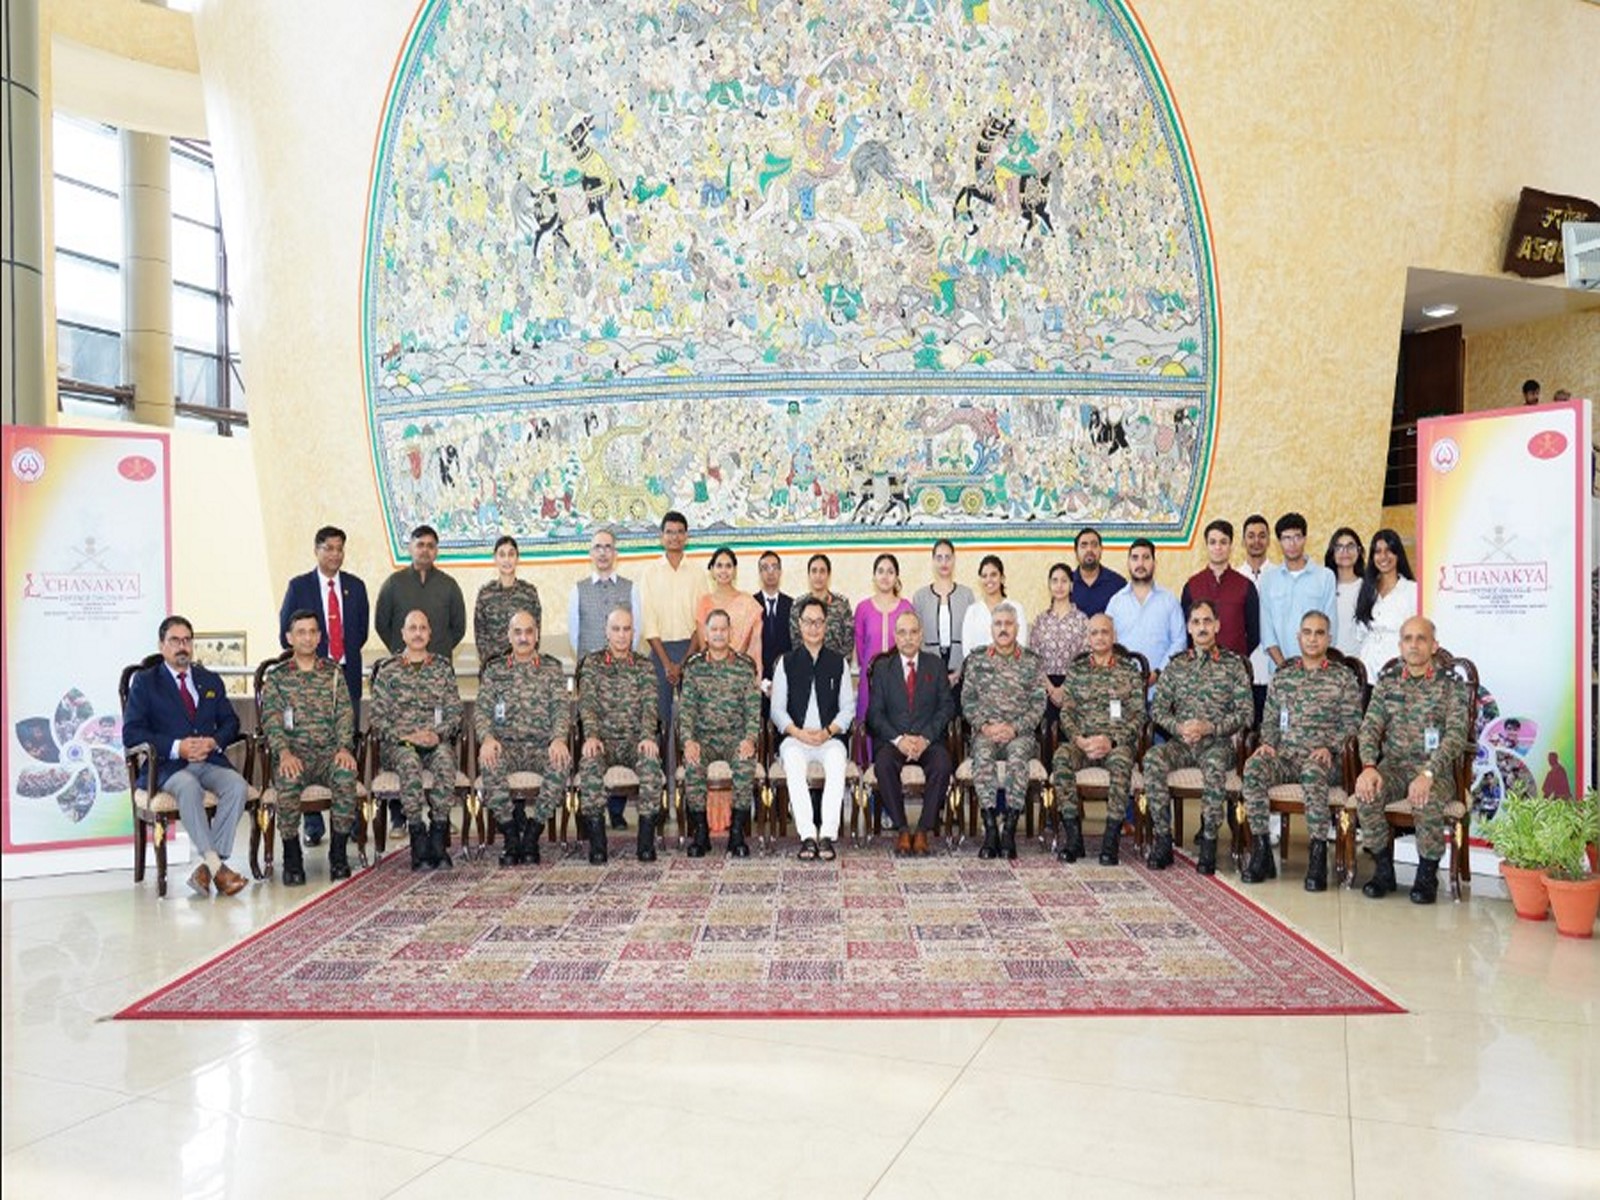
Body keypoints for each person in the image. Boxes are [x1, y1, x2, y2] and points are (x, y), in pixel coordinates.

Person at [121, 615, 251, 897]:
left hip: (209, 760)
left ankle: (207, 870)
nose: (182, 647)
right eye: (175, 641)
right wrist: (176, 746)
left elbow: (231, 722)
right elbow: (132, 733)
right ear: (162, 645)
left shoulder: (209, 679)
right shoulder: (145, 682)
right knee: (189, 788)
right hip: (168, 767)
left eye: (187, 640)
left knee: (238, 786)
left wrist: (214, 741)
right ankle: (218, 869)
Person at [1241, 610, 1363, 890]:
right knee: (1254, 767)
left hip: (1324, 762)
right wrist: (1268, 744)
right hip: (1285, 757)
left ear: (1328, 639)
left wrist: (1330, 747)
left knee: (1311, 770)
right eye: (1307, 632)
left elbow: (1353, 725)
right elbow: (1269, 720)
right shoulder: (1283, 677)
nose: (1312, 639)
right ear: (1298, 637)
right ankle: (1261, 851)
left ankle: (1318, 854)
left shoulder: (1342, 678)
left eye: (1319, 633)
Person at [1354, 616, 1469, 904]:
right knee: (1367, 794)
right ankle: (1383, 870)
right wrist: (1369, 766)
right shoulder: (1388, 682)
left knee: (1425, 799)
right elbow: (1369, 728)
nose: (1414, 645)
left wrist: (1429, 773)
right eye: (1408, 639)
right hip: (1393, 766)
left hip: (1436, 771)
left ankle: (1426, 874)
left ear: (1434, 645)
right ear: (1400, 645)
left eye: (1421, 639)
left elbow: (1456, 736)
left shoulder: (1451, 685)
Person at [1141, 600, 1254, 874]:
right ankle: (1163, 840)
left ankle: (1208, 844)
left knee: (1214, 767)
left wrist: (1210, 727)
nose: (1201, 628)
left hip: (1217, 743)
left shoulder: (1233, 665)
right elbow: (1157, 709)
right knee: (1153, 758)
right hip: (1181, 743)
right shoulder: (1177, 666)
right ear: (1189, 628)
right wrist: (1178, 728)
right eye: (1196, 622)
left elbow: (1246, 713)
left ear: (1217, 625)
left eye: (1207, 622)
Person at [277, 524, 368, 846]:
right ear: (316, 551)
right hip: (308, 678)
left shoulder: (355, 587)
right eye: (328, 548)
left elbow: (361, 632)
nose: (335, 554)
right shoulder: (299, 586)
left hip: (345, 675)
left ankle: (348, 816)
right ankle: (313, 821)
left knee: (345, 742)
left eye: (340, 549)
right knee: (309, 744)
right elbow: (284, 632)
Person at [261, 609, 360, 884]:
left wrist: (343, 748)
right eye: (301, 632)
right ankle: (293, 857)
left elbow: (344, 715)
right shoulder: (278, 677)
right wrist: (284, 753)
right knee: (288, 779)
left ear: (319, 636)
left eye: (313, 632)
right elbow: (271, 720)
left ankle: (338, 854)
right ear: (289, 637)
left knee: (345, 775)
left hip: (329, 754)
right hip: (294, 755)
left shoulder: (333, 673)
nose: (307, 638)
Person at [475, 609, 570, 867]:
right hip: (506, 748)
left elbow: (561, 710)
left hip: (542, 748)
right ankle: (509, 835)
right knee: (489, 761)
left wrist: (559, 738)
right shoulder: (495, 671)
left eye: (529, 632)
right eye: (517, 632)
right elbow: (482, 711)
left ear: (537, 635)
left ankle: (532, 832)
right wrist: (486, 738)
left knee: (561, 762)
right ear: (509, 636)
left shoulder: (551, 669)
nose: (523, 638)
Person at [370, 609, 462, 870]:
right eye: (413, 628)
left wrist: (438, 734)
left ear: (430, 633)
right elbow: (377, 720)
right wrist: (406, 736)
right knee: (409, 761)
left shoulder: (442, 669)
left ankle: (438, 834)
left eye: (423, 628)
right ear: (403, 634)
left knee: (445, 759)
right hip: (400, 746)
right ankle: (417, 834)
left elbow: (455, 714)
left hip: (435, 742)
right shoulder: (389, 672)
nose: (418, 633)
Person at [1050, 613, 1145, 865]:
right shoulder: (1077, 670)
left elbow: (1139, 715)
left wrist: (1112, 741)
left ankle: (1110, 840)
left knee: (1123, 763)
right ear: (1087, 638)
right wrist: (1079, 740)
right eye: (1094, 633)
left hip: (1116, 745)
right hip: (1082, 744)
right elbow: (1067, 712)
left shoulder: (1129, 671)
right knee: (1060, 758)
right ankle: (1073, 838)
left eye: (1105, 632)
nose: (1100, 637)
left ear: (1114, 636)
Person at [566, 525, 642, 830]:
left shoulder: (630, 588)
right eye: (597, 546)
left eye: (608, 547)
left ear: (616, 553)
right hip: (591, 677)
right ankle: (591, 809)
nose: (603, 552)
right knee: (592, 739)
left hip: (624, 677)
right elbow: (574, 636)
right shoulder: (579, 589)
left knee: (622, 734)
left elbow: (636, 634)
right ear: (590, 552)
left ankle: (616, 808)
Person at [577, 607, 666, 865]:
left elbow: (651, 706)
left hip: (634, 742)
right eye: (616, 629)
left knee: (650, 767)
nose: (621, 635)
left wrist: (648, 736)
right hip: (602, 742)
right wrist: (591, 736)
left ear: (633, 633)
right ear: (606, 632)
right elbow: (588, 705)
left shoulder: (644, 666)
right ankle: (598, 843)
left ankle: (646, 842)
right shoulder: (592, 664)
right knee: (590, 765)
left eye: (626, 629)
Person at [772, 595, 855, 861]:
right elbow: (777, 710)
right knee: (794, 764)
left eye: (819, 622)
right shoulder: (786, 662)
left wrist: (828, 731)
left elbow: (847, 709)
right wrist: (797, 732)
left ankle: (827, 836)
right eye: (808, 622)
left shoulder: (838, 662)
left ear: (826, 625)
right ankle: (807, 835)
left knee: (837, 761)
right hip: (796, 737)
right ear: (799, 624)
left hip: (827, 737)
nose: (813, 628)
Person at [865, 610, 955, 856]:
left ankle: (924, 830)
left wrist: (925, 738)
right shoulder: (883, 668)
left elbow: (946, 707)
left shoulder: (935, 665)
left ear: (921, 635)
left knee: (942, 764)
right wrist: (899, 739)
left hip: (928, 740)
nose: (907, 638)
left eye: (913, 632)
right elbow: (875, 714)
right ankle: (903, 829)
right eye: (902, 632)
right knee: (883, 765)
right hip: (894, 741)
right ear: (895, 635)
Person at [962, 603, 1047, 861]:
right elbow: (968, 701)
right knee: (982, 755)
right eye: (998, 624)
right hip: (986, 732)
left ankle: (1009, 828)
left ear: (1017, 628)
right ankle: (990, 830)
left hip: (1018, 734)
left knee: (1019, 756)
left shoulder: (1031, 662)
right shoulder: (977, 660)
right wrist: (986, 727)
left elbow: (1038, 703)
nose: (1003, 629)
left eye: (1008, 624)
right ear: (991, 628)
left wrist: (1015, 728)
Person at [679, 609, 762, 857]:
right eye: (713, 629)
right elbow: (686, 711)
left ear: (730, 632)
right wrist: (688, 741)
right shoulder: (694, 668)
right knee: (693, 765)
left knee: (745, 763)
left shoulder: (744, 667)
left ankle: (736, 833)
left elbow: (752, 710)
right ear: (705, 633)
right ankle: (700, 832)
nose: (718, 634)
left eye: (723, 629)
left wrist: (749, 739)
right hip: (702, 739)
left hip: (735, 737)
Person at [640, 510, 713, 742]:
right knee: (658, 718)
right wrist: (667, 664)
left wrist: (683, 663)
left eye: (680, 532)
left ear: (686, 537)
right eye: (670, 532)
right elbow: (648, 621)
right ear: (662, 537)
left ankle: (689, 771)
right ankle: (659, 772)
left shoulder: (698, 573)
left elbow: (701, 620)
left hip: (689, 650)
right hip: (659, 651)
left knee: (693, 718)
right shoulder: (650, 573)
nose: (675, 537)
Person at [1258, 512, 1337, 677]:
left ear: (1305, 538)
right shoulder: (1268, 579)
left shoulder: (1325, 576)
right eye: (1286, 538)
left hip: (1317, 672)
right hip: (1280, 673)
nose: (1292, 543)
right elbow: (1267, 632)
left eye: (1297, 537)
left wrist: (1314, 667)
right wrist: (1285, 669)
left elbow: (1330, 628)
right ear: (1279, 542)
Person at [374, 524, 466, 657]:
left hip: (438, 667)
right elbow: (382, 625)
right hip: (402, 666)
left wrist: (441, 649)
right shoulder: (393, 583)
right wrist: (400, 650)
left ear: (436, 551)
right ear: (410, 548)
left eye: (430, 546)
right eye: (420, 545)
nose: (425, 550)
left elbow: (459, 628)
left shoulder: (449, 585)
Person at [1104, 539, 1185, 683]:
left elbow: (1179, 642)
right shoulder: (1115, 602)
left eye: (1146, 557)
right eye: (1135, 558)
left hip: (1162, 689)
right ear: (1128, 563)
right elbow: (1107, 642)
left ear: (1154, 563)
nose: (1140, 564)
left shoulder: (1169, 600)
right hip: (1124, 687)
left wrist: (1159, 672)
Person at [1180, 519, 1260, 660]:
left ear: (1231, 546)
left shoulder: (1246, 586)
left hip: (1236, 670)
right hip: (1198, 673)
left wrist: (1237, 658)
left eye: (1223, 542)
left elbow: (1254, 633)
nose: (1218, 547)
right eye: (1213, 542)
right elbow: (1186, 633)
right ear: (1206, 546)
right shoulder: (1191, 586)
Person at [855, 553, 914, 726]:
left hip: (901, 679)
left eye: (890, 571)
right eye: (880, 571)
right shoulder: (863, 608)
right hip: (869, 679)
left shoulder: (906, 607)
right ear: (874, 577)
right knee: (869, 725)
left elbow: (912, 645)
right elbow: (860, 648)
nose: (885, 576)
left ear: (897, 577)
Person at [1354, 529, 1419, 684]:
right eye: (1377, 552)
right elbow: (1360, 632)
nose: (1383, 557)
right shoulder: (1367, 588)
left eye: (1389, 551)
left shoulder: (1412, 590)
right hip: (1367, 671)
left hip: (1399, 673)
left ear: (1398, 555)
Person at [1032, 561, 1089, 732]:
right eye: (1055, 581)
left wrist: (1064, 687)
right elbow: (1034, 659)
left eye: (1064, 581)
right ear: (1049, 585)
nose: (1059, 586)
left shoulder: (1082, 620)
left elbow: (1086, 659)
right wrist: (1050, 689)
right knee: (1046, 736)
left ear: (1071, 585)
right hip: (1044, 686)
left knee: (1069, 736)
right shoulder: (1040, 620)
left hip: (1073, 686)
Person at [690, 547, 764, 675]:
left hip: (740, 672)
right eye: (719, 566)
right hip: (710, 673)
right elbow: (703, 646)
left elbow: (755, 645)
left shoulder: (748, 603)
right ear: (712, 570)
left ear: (735, 571)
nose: (724, 570)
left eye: (728, 566)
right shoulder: (704, 602)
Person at [911, 538, 975, 684]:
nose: (944, 562)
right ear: (933, 561)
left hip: (961, 672)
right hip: (929, 673)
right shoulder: (920, 597)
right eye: (939, 558)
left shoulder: (967, 595)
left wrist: (961, 671)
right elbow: (916, 638)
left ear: (954, 560)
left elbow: (972, 638)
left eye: (948, 557)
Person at [472, 534, 542, 667]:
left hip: (523, 667)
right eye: (502, 555)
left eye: (511, 554)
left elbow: (535, 633)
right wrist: (492, 665)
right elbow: (480, 636)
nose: (507, 560)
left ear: (517, 558)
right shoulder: (485, 594)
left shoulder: (529, 592)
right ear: (495, 559)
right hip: (493, 668)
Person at [788, 552, 853, 661]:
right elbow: (796, 642)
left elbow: (848, 642)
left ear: (828, 574)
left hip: (835, 667)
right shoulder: (798, 606)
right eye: (814, 571)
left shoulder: (842, 605)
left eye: (822, 571)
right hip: (805, 666)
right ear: (809, 575)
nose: (818, 576)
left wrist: (839, 666)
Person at [1240, 514, 1274, 722]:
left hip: (1274, 668)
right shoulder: (1235, 577)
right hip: (1245, 669)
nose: (1256, 541)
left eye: (1262, 536)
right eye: (1251, 536)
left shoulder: (1280, 575)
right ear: (1243, 541)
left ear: (1269, 540)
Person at [962, 553, 1028, 657]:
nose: (989, 580)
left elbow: (1020, 646)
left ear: (1002, 578)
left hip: (1011, 670)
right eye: (984, 576)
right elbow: (967, 651)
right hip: (979, 670)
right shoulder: (972, 611)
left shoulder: (1016, 608)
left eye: (993, 575)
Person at [754, 550, 793, 694]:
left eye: (774, 567)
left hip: (787, 680)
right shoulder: (751, 604)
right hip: (757, 682)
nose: (770, 573)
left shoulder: (792, 605)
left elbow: (795, 646)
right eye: (765, 568)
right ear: (759, 573)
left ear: (780, 571)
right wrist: (761, 680)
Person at [1324, 528, 1366, 657]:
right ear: (1332, 553)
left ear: (1359, 551)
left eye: (1350, 546)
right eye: (1339, 547)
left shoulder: (1368, 587)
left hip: (1360, 660)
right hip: (1329, 659)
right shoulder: (1325, 587)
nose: (1345, 552)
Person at [1069, 527, 1125, 617]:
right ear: (1076, 552)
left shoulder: (1118, 584)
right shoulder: (1066, 583)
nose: (1089, 549)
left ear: (1101, 550)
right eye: (1084, 545)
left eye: (1094, 545)